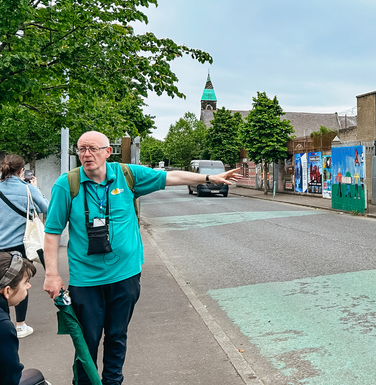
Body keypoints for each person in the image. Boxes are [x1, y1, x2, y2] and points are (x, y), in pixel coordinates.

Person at [43, 131, 241, 385]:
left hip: (125, 276)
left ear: (108, 151)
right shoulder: (66, 184)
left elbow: (172, 177)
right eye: (81, 149)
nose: (86, 154)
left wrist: (209, 176)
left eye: (92, 148)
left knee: (117, 336)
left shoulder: (127, 175)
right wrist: (52, 274)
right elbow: (52, 232)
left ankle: (113, 382)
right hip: (86, 280)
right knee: (86, 342)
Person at [0, 154, 49, 339]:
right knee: (20, 284)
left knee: (1, 285)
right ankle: (20, 325)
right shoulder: (27, 188)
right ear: (22, 170)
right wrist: (35, 189)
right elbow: (46, 208)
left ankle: (3, 321)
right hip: (20, 247)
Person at [1, 251, 48, 385]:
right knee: (36, 378)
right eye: (25, 282)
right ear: (7, 290)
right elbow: (10, 377)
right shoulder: (3, 327)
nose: (29, 286)